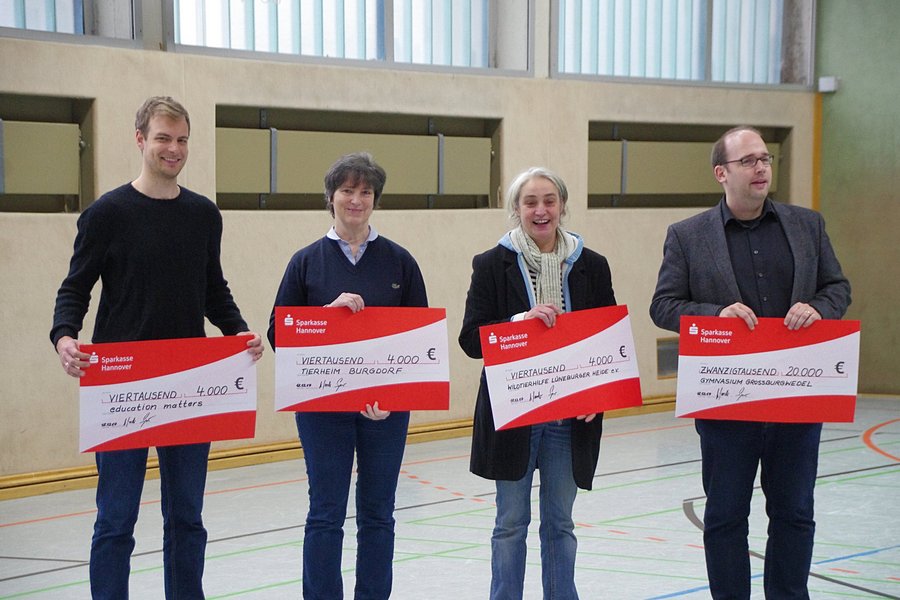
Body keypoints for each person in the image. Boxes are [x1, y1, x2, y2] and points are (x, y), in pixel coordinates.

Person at [50, 96, 264, 599]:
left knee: (187, 516)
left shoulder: (203, 215)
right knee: (116, 519)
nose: (174, 149)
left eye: (182, 139)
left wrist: (237, 331)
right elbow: (75, 288)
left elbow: (212, 288)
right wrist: (64, 336)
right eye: (164, 138)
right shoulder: (106, 214)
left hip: (190, 383)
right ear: (140, 139)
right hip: (121, 385)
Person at [649, 126, 851, 599]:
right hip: (726, 404)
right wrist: (714, 314)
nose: (761, 167)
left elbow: (838, 288)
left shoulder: (808, 225)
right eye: (748, 161)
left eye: (765, 158)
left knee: (794, 514)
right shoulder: (687, 236)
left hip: (797, 398)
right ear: (721, 173)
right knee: (724, 517)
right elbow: (663, 306)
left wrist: (819, 308)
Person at [267, 152, 428, 599]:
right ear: (331, 197)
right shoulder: (305, 262)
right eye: (347, 190)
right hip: (322, 411)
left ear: (375, 200)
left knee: (378, 513)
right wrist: (325, 316)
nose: (356, 200)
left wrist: (393, 398)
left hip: (385, 412)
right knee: (325, 513)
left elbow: (419, 340)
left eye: (365, 192)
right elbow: (279, 332)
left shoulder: (400, 261)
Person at [458, 167, 614, 600]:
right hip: (515, 415)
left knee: (561, 524)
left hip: (570, 418)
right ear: (516, 209)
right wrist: (518, 323)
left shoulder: (592, 265)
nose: (541, 210)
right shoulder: (491, 264)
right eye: (530, 202)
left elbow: (608, 338)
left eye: (549, 200)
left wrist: (598, 393)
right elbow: (471, 340)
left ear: (562, 206)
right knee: (510, 524)